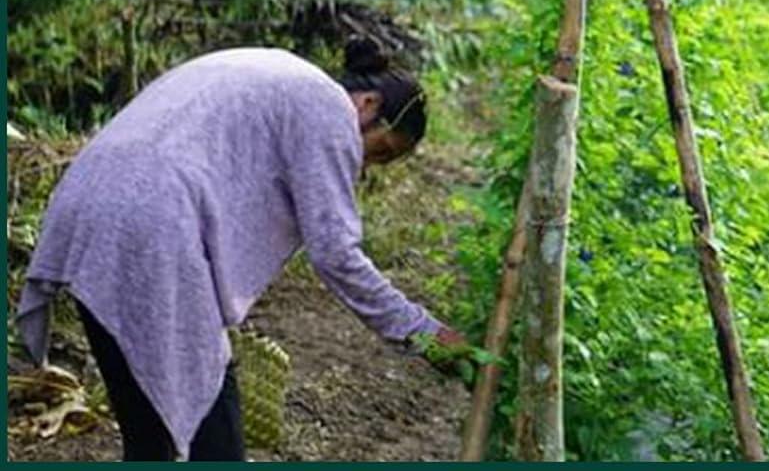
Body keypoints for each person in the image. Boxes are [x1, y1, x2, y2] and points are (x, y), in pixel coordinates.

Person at [17, 41, 465, 461]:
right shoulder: (328, 109)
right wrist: (421, 332)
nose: (364, 165)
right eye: (380, 151)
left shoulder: (275, 69)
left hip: (82, 208)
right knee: (217, 437)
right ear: (368, 105)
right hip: (150, 226)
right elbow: (336, 254)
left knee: (148, 436)